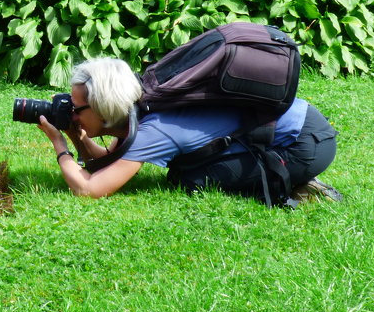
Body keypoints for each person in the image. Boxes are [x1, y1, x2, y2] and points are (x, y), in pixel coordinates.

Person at [37, 57, 340, 204]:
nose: (70, 112)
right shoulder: (139, 106)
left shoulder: (152, 131)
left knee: (192, 180)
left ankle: (297, 183)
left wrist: (59, 146)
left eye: (77, 108)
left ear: (104, 107)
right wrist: (79, 139)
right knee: (188, 171)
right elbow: (106, 163)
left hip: (305, 141)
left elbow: (89, 189)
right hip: (299, 125)